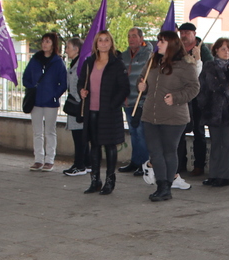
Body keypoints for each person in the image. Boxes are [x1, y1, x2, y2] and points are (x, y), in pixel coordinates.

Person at [137, 30, 200, 202]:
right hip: (150, 115)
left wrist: (176, 97)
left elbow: (194, 87)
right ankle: (161, 185)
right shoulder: (153, 61)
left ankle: (167, 186)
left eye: (162, 42)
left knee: (169, 151)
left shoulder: (185, 64)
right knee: (155, 152)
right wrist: (141, 86)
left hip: (174, 116)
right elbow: (142, 79)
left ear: (172, 44)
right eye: (158, 41)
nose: (158, 44)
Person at [78, 31, 130, 195]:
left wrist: (112, 105)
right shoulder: (89, 62)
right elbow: (81, 82)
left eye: (106, 40)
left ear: (111, 43)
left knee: (110, 146)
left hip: (109, 112)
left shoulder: (117, 64)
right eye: (100, 40)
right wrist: (81, 91)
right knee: (94, 146)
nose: (103, 43)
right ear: (96, 43)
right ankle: (95, 180)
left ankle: (110, 180)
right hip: (91, 111)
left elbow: (124, 88)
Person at [197, 38, 229, 188]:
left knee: (227, 145)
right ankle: (213, 174)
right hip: (213, 111)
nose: (226, 52)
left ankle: (223, 176)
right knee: (215, 144)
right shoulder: (209, 66)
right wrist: (203, 105)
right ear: (216, 50)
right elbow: (205, 86)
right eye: (223, 49)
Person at [21, 32, 68, 172]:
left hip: (50, 102)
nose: (44, 44)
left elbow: (63, 83)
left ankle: (49, 160)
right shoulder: (35, 59)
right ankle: (38, 159)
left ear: (53, 44)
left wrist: (54, 95)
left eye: (48, 41)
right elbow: (25, 77)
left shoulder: (58, 62)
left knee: (50, 131)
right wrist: (31, 87)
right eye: (43, 41)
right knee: (37, 131)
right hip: (36, 101)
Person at [176, 22, 213, 178]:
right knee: (180, 130)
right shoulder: (177, 49)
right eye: (182, 33)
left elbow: (209, 70)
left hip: (198, 97)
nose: (184, 35)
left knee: (199, 130)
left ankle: (199, 165)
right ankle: (180, 163)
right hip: (182, 96)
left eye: (187, 33)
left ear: (194, 34)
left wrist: (198, 59)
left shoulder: (203, 50)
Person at [118, 27, 152, 175]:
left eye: (134, 36)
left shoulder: (148, 55)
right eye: (129, 36)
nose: (131, 39)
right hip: (127, 100)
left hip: (141, 101)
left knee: (141, 133)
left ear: (141, 38)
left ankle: (144, 165)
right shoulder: (124, 56)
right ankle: (135, 161)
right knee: (133, 132)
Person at [62, 37, 91, 177]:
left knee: (79, 137)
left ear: (76, 49)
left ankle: (79, 165)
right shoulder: (74, 64)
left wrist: (79, 101)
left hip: (79, 105)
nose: (66, 50)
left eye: (68, 47)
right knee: (80, 136)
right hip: (75, 104)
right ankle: (87, 163)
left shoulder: (81, 65)